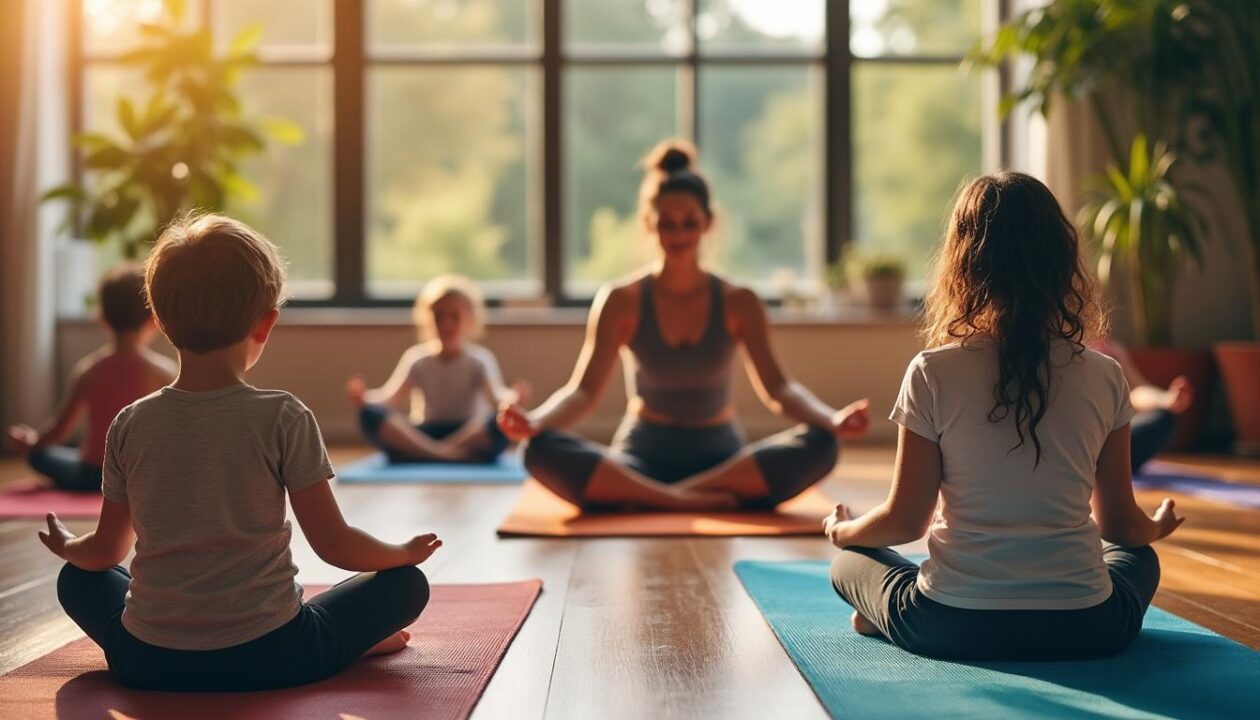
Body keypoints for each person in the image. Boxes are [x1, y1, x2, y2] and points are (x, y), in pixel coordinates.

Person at [39, 213, 441, 691]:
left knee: (77, 579)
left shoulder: (129, 423)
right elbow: (334, 545)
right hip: (277, 655)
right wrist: (402, 552)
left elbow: (107, 549)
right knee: (405, 584)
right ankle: (349, 642)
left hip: (146, 661)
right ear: (265, 324)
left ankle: (189, 652)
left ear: (162, 323)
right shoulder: (283, 416)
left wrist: (68, 545)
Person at [825, 172, 1184, 662]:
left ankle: (883, 615)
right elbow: (1120, 525)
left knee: (849, 564)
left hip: (951, 625)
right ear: (1061, 260)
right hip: (1090, 628)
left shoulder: (932, 370)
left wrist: (841, 531)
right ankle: (885, 612)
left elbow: (905, 522)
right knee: (1140, 556)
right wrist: (1156, 527)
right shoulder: (1105, 374)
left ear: (963, 264)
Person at [498, 140, 870, 512]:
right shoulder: (620, 300)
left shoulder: (739, 301)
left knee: (822, 444)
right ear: (649, 224)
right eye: (667, 224)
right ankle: (684, 500)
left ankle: (652, 499)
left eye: (689, 223)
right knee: (539, 448)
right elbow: (582, 392)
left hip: (723, 463)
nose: (678, 235)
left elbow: (779, 388)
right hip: (639, 459)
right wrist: (534, 422)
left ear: (707, 222)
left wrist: (832, 419)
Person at [7, 266, 174, 492]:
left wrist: (32, 443)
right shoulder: (163, 371)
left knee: (39, 456)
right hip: (139, 475)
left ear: (103, 319)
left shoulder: (88, 370)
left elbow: (60, 429)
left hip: (90, 475)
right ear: (154, 320)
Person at [347, 274, 526, 463]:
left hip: (469, 433)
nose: (446, 324)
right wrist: (364, 399)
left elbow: (498, 398)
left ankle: (428, 454)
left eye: (454, 316)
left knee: (501, 420)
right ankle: (448, 454)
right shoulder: (417, 359)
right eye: (438, 316)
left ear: (470, 320)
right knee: (369, 416)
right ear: (427, 319)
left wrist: (514, 399)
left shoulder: (479, 360)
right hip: (425, 433)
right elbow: (388, 399)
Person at [1094, 339, 1194, 471]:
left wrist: (1165, 399)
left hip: (1111, 435)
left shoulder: (1111, 350)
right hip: (1084, 438)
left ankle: (1110, 466)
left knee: (1162, 419)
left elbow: (1134, 392)